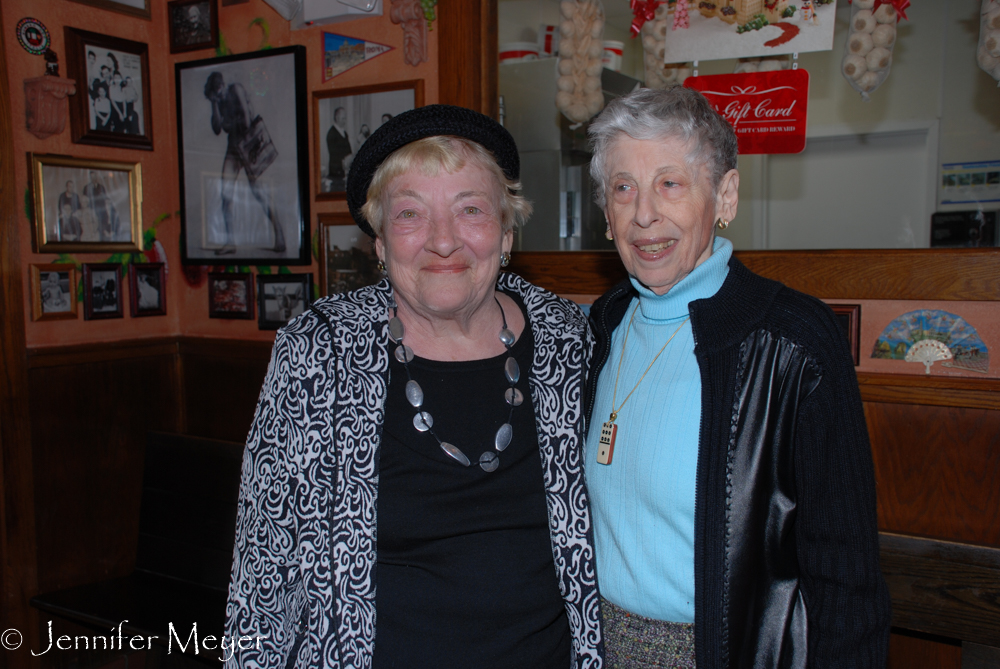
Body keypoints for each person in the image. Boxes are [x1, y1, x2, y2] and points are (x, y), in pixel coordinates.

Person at [226, 105, 602, 668]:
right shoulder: (319, 352)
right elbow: (262, 570)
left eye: (470, 209)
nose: (443, 242)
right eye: (410, 215)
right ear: (380, 244)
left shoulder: (572, 343)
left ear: (506, 231)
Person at [583, 87, 891, 667]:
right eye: (624, 188)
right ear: (606, 212)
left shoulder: (793, 340)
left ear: (724, 195)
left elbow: (845, 571)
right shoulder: (602, 328)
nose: (644, 213)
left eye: (670, 183)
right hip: (597, 648)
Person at [203, 71, 286, 255]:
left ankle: (279, 233)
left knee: (260, 194)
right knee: (226, 193)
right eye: (216, 97)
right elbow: (217, 128)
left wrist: (231, 123)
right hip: (234, 146)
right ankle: (230, 241)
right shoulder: (218, 101)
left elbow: (247, 121)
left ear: (222, 86)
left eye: (219, 94)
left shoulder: (235, 90)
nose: (220, 97)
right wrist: (214, 105)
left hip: (248, 146)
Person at [325, 106, 352, 191]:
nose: (345, 121)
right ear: (337, 117)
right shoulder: (331, 133)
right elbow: (334, 154)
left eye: (345, 118)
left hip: (345, 171)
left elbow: (349, 150)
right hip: (336, 172)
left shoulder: (344, 133)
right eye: (343, 118)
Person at [83, 171, 112, 241]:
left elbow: (104, 199)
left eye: (94, 176)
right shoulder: (87, 188)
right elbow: (85, 201)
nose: (93, 178)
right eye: (91, 177)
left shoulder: (101, 187)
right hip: (92, 212)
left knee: (103, 230)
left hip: (102, 212)